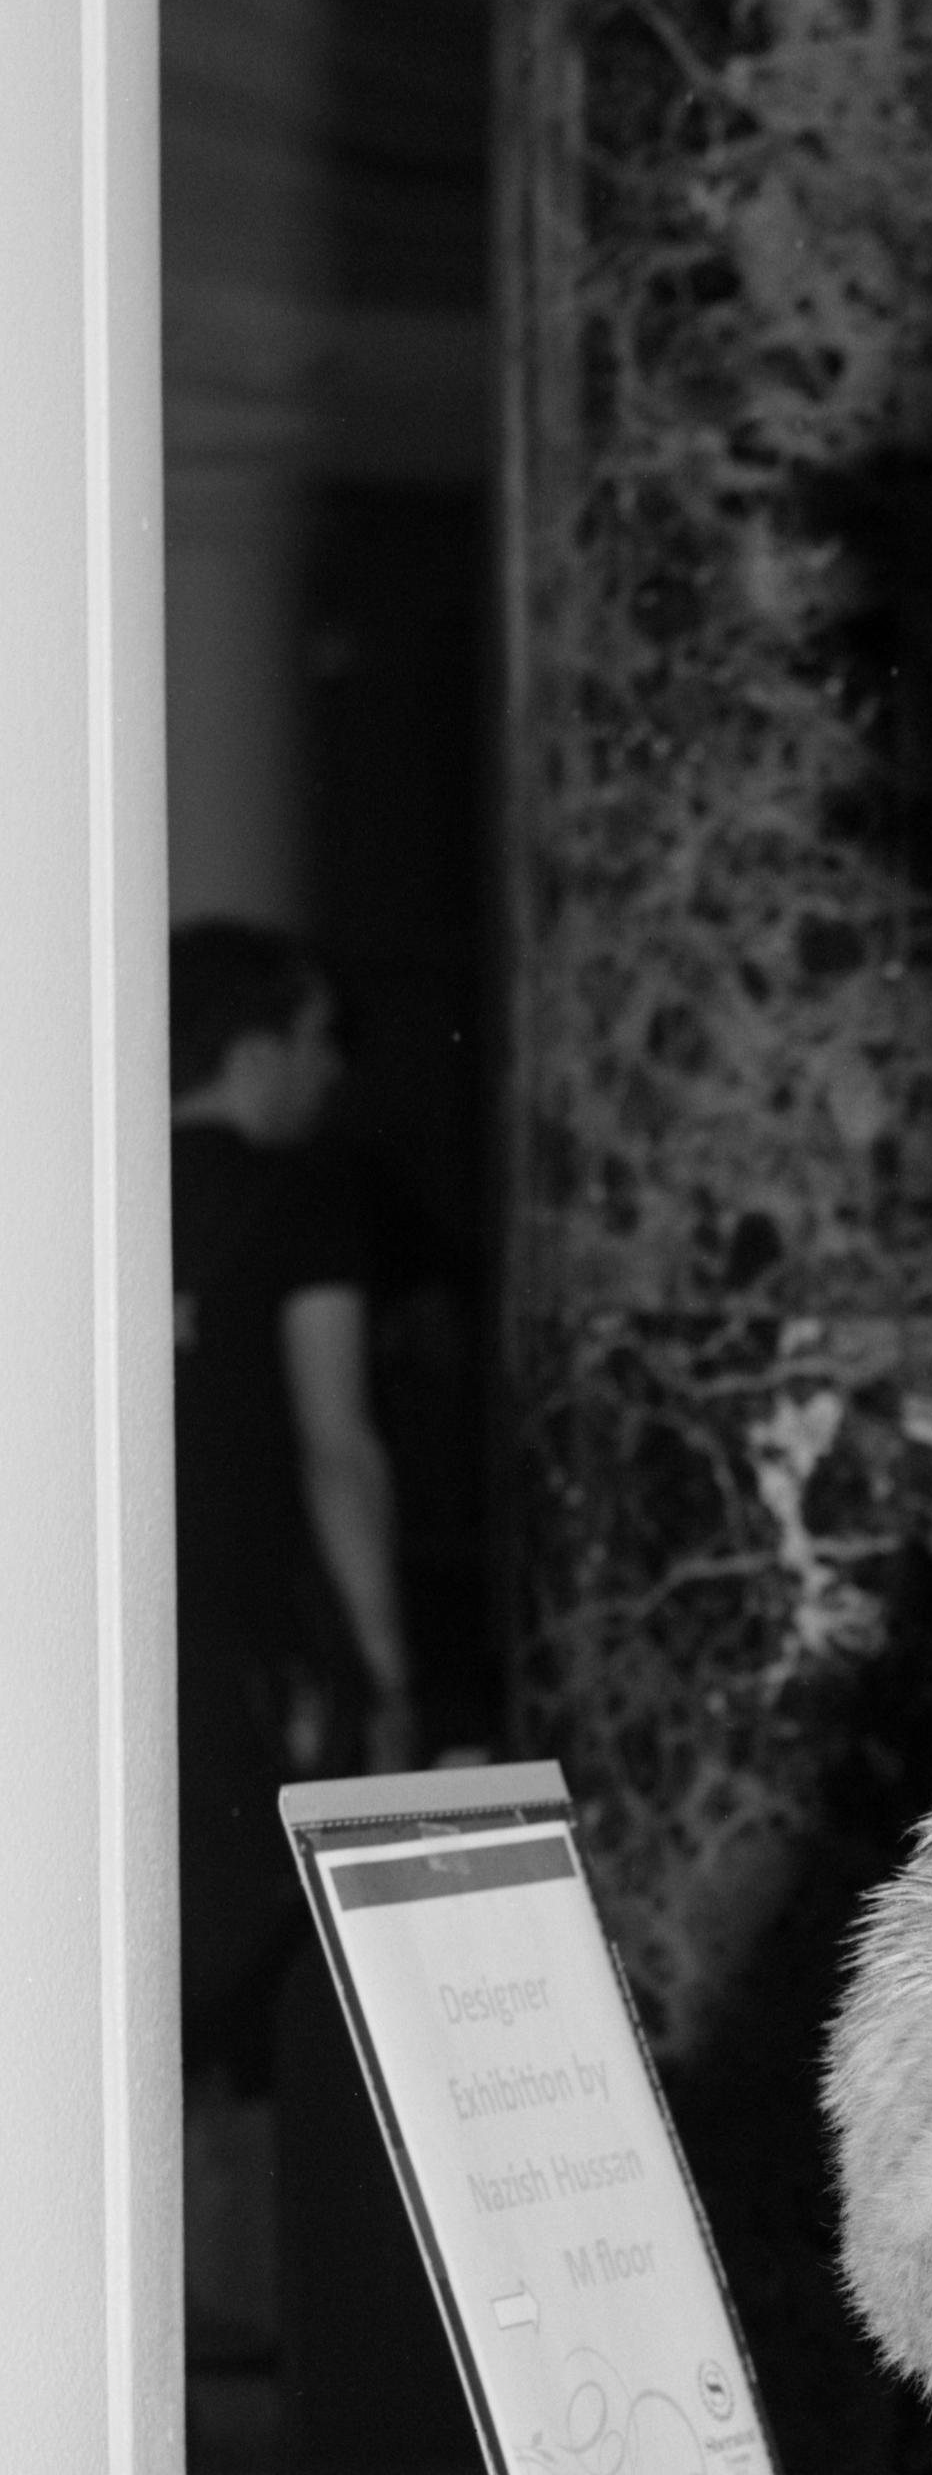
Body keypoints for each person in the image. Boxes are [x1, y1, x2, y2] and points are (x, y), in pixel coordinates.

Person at [168, 921, 418, 2336]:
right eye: (321, 1041)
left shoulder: (102, 1177)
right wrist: (385, 1666)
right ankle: (248, 2298)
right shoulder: (304, 1197)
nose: (330, 1073)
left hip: (130, 1640)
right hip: (263, 1635)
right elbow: (338, 1446)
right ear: (258, 1043)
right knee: (272, 1955)